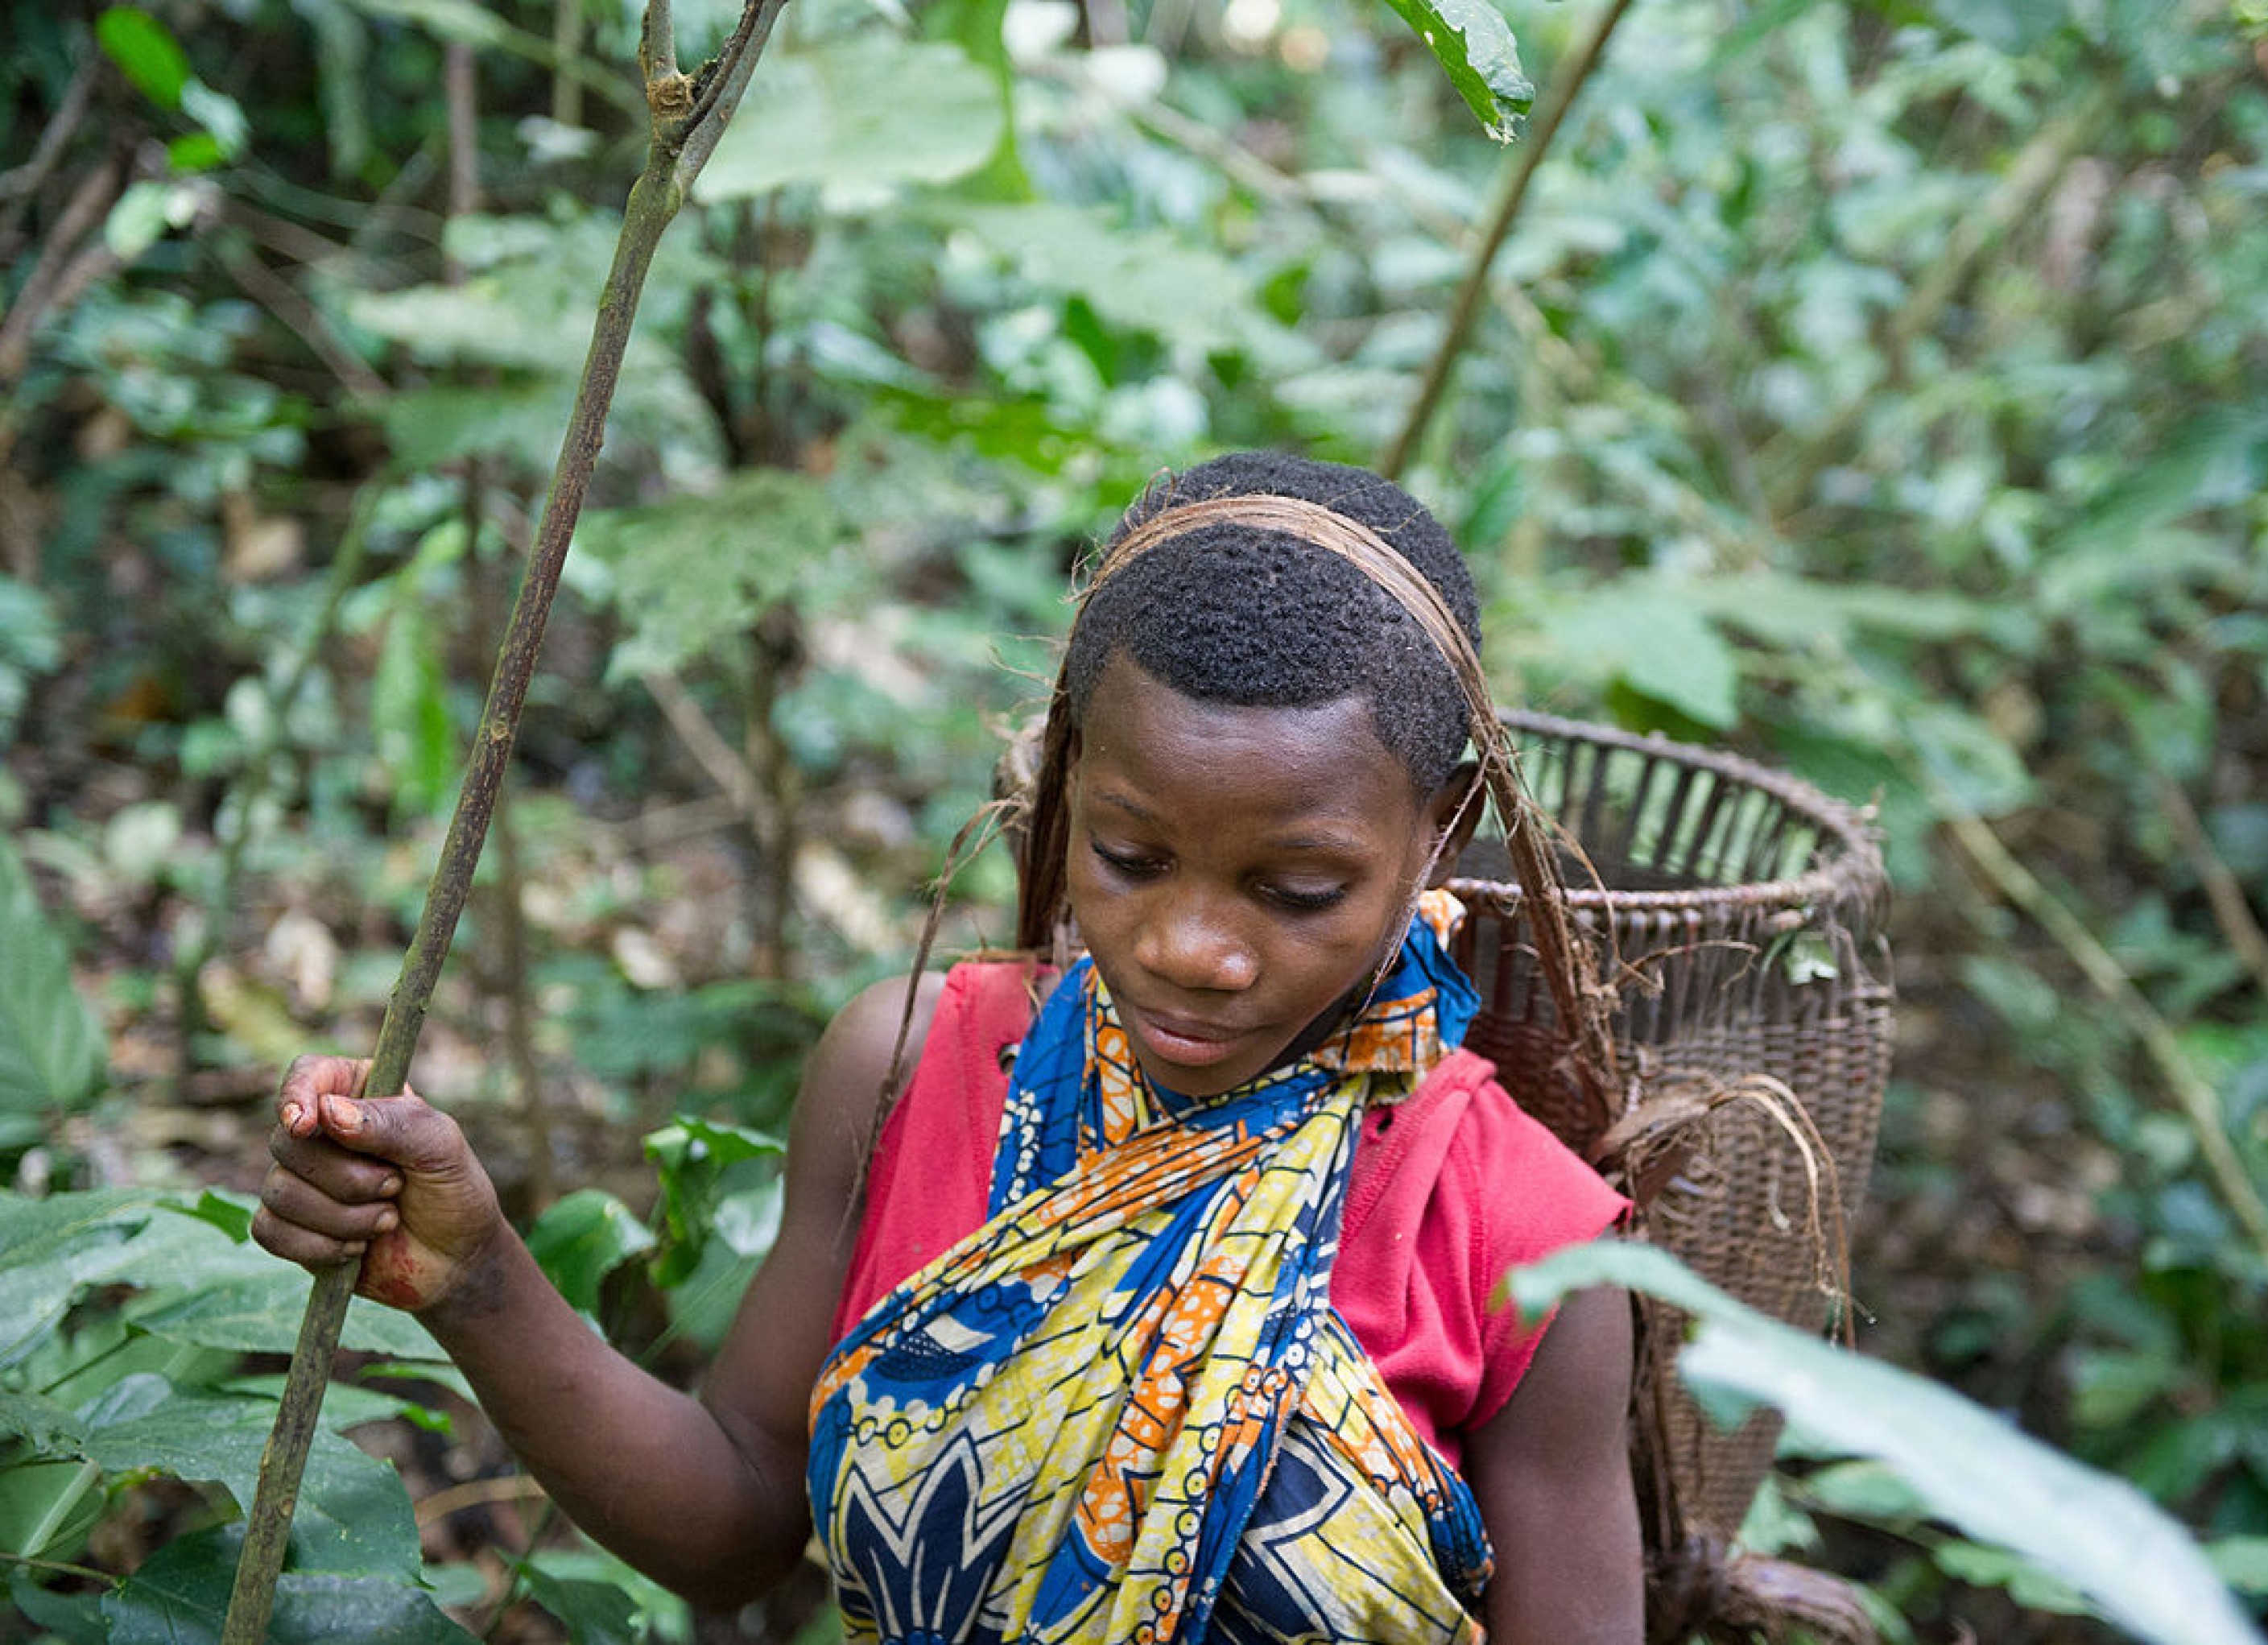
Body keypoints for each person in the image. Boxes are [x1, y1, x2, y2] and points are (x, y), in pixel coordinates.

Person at [253, 453, 1646, 1642]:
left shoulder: (1530, 1246)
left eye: (1295, 891)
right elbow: (740, 1513)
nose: (1191, 949)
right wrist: (476, 1277)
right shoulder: (911, 1070)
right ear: (1070, 771)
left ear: (1442, 831)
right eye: (1130, 856)